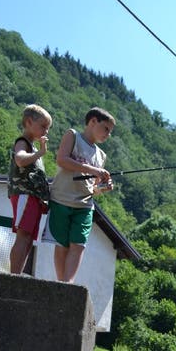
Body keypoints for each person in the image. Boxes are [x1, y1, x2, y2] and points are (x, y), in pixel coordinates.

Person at [45, 107, 114, 283]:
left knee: (79, 245)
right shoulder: (73, 135)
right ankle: (61, 285)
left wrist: (102, 188)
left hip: (84, 205)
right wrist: (93, 169)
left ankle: (67, 285)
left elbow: (93, 188)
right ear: (93, 121)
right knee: (62, 244)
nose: (108, 134)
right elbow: (61, 159)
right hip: (61, 198)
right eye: (106, 128)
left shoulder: (101, 155)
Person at [8, 104, 52, 274]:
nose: (46, 131)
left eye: (47, 128)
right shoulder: (23, 142)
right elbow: (20, 160)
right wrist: (40, 153)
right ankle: (14, 275)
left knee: (28, 240)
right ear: (28, 122)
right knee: (23, 236)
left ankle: (17, 274)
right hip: (24, 195)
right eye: (43, 126)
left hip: (32, 198)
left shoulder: (33, 147)